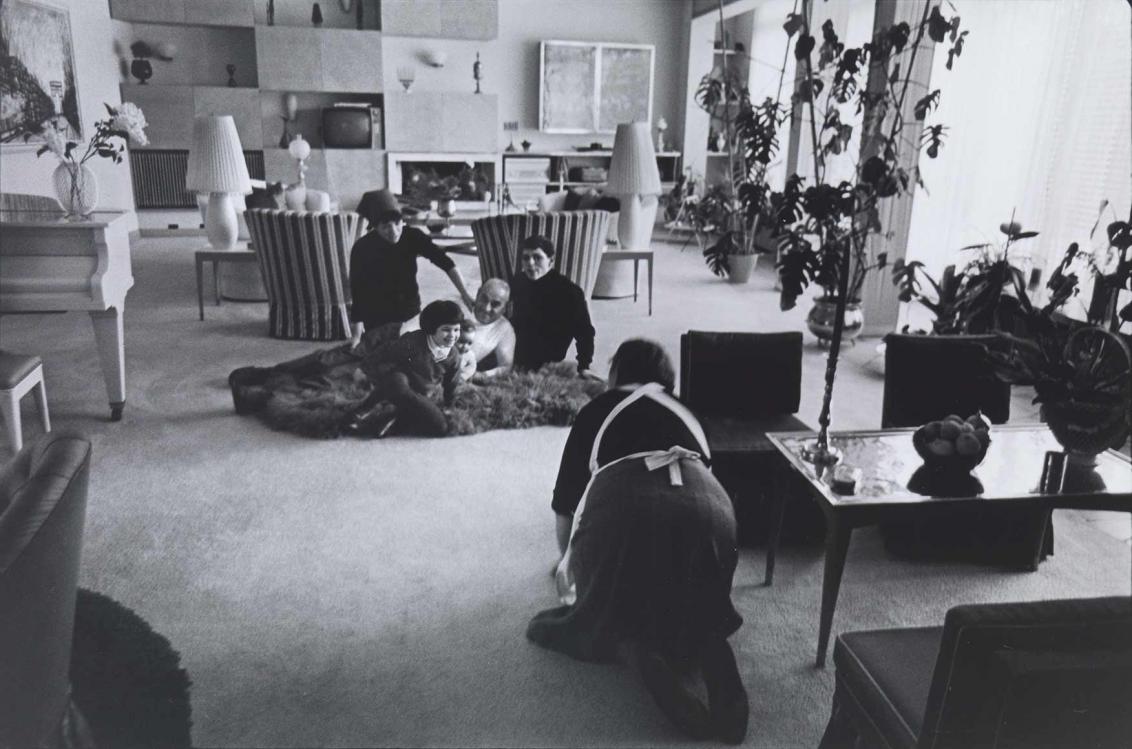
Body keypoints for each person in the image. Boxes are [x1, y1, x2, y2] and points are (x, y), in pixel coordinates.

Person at [527, 339, 749, 744]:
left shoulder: (598, 408)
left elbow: (565, 505)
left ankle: (639, 651)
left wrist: (570, 566)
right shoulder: (689, 411)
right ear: (667, 380)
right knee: (700, 598)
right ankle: (711, 647)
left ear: (616, 374)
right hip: (711, 509)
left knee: (612, 606)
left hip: (626, 505)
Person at [350, 189, 476, 347]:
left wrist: (465, 294)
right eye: (385, 226)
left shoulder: (413, 236)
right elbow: (358, 293)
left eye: (397, 223)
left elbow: (445, 262)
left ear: (402, 220)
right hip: (377, 319)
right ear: (374, 226)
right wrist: (356, 336)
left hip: (409, 314)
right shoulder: (362, 248)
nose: (393, 231)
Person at [345, 300, 464, 438]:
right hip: (398, 385)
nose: (452, 335)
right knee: (397, 381)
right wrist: (364, 368)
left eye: (456, 330)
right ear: (432, 328)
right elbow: (385, 351)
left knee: (441, 427)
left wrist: (449, 405)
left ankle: (397, 417)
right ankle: (362, 411)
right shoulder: (413, 342)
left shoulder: (453, 356)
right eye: (446, 330)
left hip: (421, 394)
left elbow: (451, 383)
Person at [509, 235, 595, 375]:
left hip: (548, 364)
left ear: (551, 261)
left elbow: (585, 332)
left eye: (537, 257)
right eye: (526, 258)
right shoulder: (518, 282)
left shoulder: (569, 291)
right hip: (513, 357)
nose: (530, 263)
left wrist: (584, 365)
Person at [468, 278, 515, 380]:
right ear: (478, 293)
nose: (486, 308)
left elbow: (505, 366)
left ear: (506, 308)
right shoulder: (457, 307)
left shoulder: (505, 329)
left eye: (495, 304)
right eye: (484, 299)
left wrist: (479, 376)